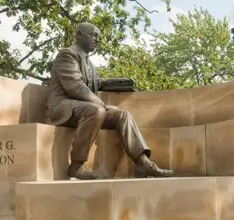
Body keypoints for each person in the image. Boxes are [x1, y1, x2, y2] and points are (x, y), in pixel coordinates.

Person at [45, 22, 174, 180]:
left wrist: (122, 83)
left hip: (85, 110)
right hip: (63, 107)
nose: (97, 40)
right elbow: (74, 86)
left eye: (98, 37)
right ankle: (77, 166)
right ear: (79, 35)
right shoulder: (67, 54)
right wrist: (103, 105)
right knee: (96, 110)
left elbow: (97, 82)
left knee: (122, 115)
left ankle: (144, 164)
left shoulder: (90, 64)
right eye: (93, 35)